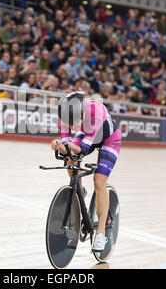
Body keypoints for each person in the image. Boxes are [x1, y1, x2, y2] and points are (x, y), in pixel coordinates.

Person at [50, 92, 121, 252]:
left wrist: (61, 145)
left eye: (75, 122)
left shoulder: (95, 113)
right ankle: (80, 191)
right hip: (87, 132)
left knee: (99, 181)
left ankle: (101, 233)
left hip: (109, 139)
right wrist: (59, 145)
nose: (71, 126)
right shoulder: (64, 112)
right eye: (70, 123)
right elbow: (67, 143)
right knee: (69, 160)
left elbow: (82, 148)